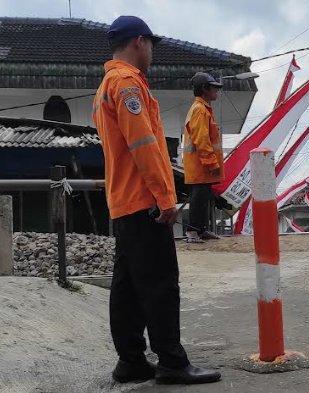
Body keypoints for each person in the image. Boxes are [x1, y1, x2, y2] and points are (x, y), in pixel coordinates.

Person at [92, 15, 221, 385]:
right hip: (143, 199)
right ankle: (172, 362)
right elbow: (143, 147)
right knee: (161, 283)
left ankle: (130, 361)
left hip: (124, 200)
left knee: (129, 285)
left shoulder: (106, 86)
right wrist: (165, 197)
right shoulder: (128, 84)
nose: (152, 52)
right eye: (150, 44)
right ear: (138, 42)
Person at [182, 72, 224, 243]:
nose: (217, 91)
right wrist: (211, 163)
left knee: (204, 197)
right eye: (214, 88)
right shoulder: (200, 110)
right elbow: (202, 140)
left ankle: (200, 230)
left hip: (201, 165)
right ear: (205, 89)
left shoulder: (203, 109)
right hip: (200, 165)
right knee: (199, 197)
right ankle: (192, 232)